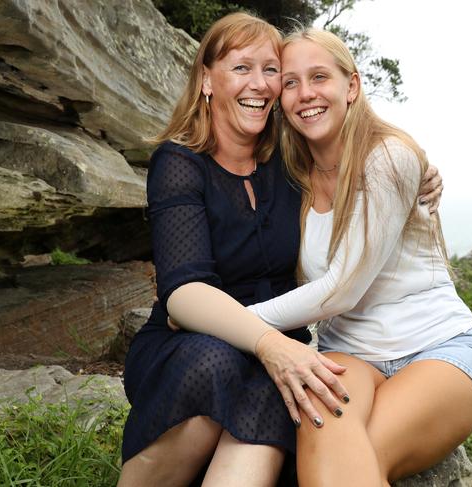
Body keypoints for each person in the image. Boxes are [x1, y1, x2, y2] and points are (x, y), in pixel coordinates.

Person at [118, 13, 443, 487]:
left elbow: (357, 155)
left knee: (282, 390)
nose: (261, 84)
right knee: (220, 363)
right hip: (190, 343)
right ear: (206, 79)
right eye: (241, 68)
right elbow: (183, 293)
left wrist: (418, 170)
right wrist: (270, 343)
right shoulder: (180, 163)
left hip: (281, 345)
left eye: (271, 70)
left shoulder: (287, 161)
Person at [243, 28, 472, 487]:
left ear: (351, 85)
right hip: (349, 356)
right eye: (291, 82)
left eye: (319, 77)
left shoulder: (389, 157)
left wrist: (235, 322)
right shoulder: (290, 175)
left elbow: (343, 288)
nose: (306, 94)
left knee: (351, 458)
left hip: (437, 349)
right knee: (325, 435)